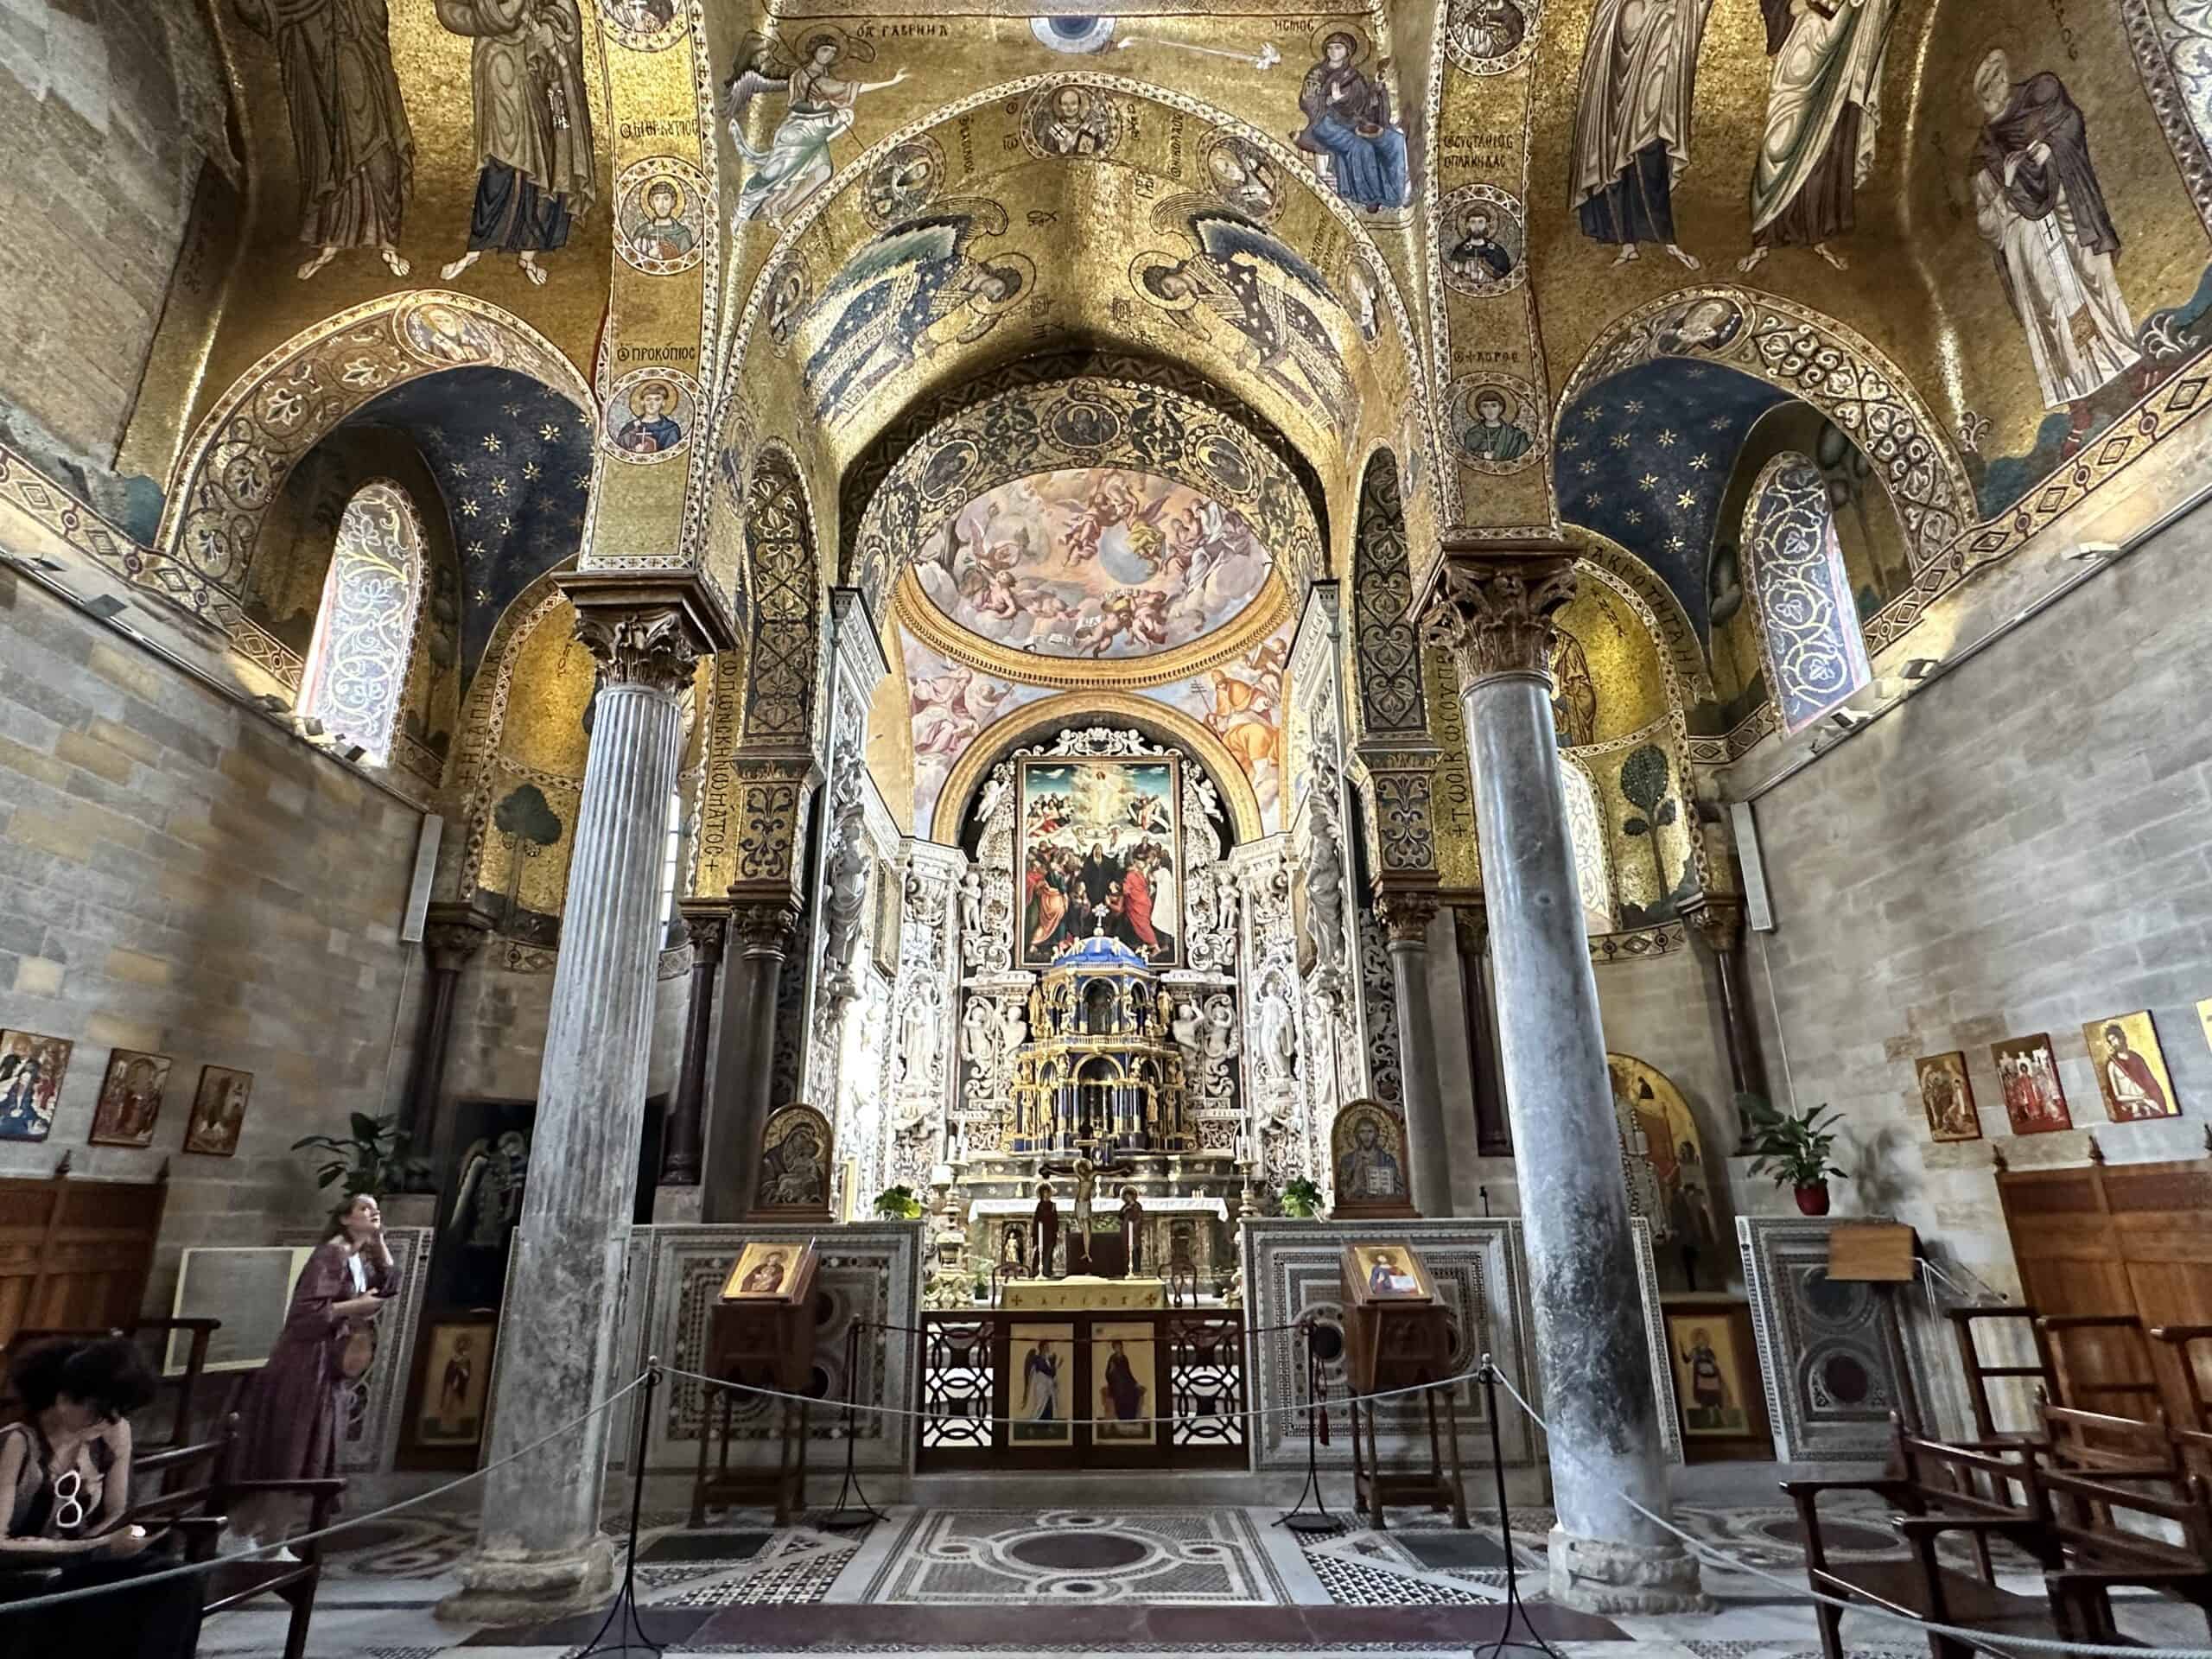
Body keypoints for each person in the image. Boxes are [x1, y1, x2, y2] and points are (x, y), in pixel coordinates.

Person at [0, 1337, 204, 1657]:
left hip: (78, 1561)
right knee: (108, 1600)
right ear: (65, 1398)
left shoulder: (113, 1432)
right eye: (100, 1411)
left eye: (119, 1412)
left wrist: (126, 1539)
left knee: (178, 1579)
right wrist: (91, 1548)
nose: (110, 1422)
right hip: (22, 1574)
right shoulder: (17, 1442)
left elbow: (117, 1511)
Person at [220, 1194, 393, 1556]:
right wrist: (355, 1307)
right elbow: (303, 1316)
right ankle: (270, 1543)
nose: (373, 1212)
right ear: (345, 1219)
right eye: (364, 1208)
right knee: (292, 1455)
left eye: (375, 1208)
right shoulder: (331, 1253)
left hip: (326, 1364)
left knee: (303, 1454)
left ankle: (244, 1532)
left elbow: (389, 1285)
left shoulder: (356, 1254)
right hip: (304, 1364)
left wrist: (379, 1242)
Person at [1294, 32, 1409, 213]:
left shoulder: (1353, 75)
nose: (1333, 51)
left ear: (1347, 51)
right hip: (1324, 124)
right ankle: (1368, 197)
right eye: (1331, 47)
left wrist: (1377, 89)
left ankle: (1396, 193)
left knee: (1393, 140)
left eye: (1338, 47)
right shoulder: (1316, 74)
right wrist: (1331, 100)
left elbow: (1364, 104)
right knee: (1362, 148)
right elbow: (1307, 102)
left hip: (1353, 122)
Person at [2099, 1024, 2171, 1120]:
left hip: (2149, 1104)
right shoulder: (2112, 1065)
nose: (2113, 1043)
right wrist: (2141, 1098)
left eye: (2114, 1038)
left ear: (2122, 1037)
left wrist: (2155, 1099)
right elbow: (2117, 1097)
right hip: (2130, 1108)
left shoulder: (2136, 1058)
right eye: (2110, 1041)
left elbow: (2151, 1083)